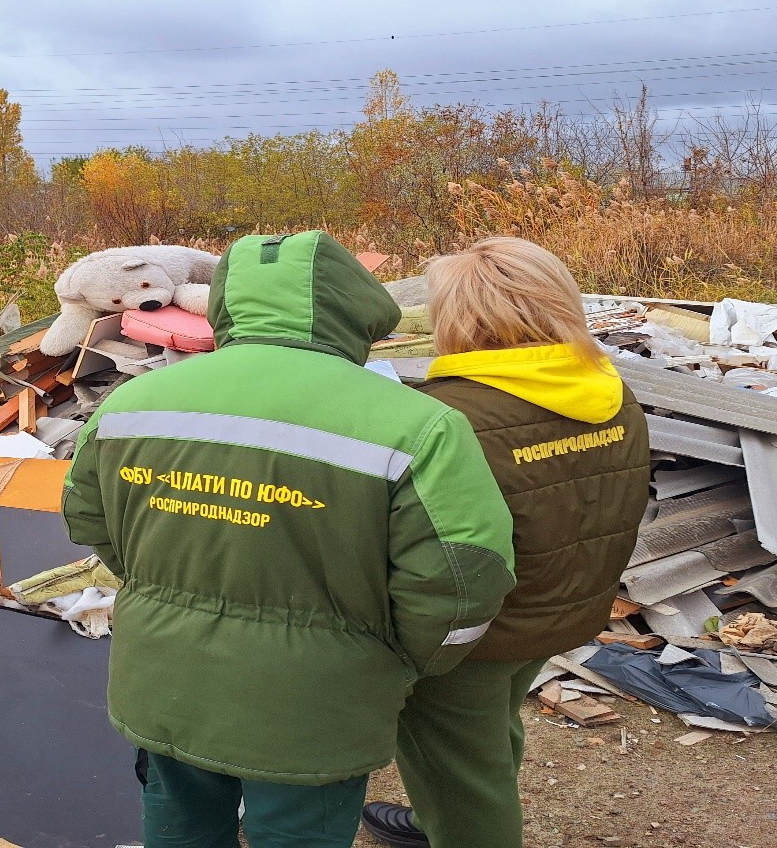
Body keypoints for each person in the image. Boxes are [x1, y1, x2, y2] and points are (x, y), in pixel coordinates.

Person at [62, 230, 516, 848]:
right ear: (354, 308)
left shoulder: (132, 403)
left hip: (165, 683)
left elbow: (89, 520)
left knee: (180, 826)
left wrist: (160, 584)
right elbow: (463, 575)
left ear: (224, 302)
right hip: (316, 706)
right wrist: (403, 658)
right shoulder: (419, 425)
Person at [362, 237, 651, 848]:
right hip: (561, 609)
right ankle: (448, 821)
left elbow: (419, 542)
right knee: (490, 728)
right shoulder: (608, 392)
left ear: (459, 317)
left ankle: (463, 825)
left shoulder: (448, 416)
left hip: (472, 633)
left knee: (457, 766)